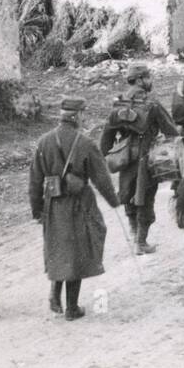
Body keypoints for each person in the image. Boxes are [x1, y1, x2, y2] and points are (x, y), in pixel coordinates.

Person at [29, 97, 120, 320]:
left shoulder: (44, 142)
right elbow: (102, 178)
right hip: (79, 204)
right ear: (77, 116)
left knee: (59, 249)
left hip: (53, 204)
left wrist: (37, 210)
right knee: (78, 251)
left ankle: (55, 292)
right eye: (83, 113)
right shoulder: (86, 143)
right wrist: (114, 201)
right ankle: (71, 308)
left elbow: (34, 180)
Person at [99, 64, 175, 254]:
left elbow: (107, 134)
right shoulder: (152, 104)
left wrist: (108, 154)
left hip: (125, 157)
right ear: (140, 80)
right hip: (147, 157)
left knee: (127, 193)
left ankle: (135, 237)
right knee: (145, 197)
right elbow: (170, 130)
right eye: (148, 77)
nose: (151, 81)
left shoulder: (119, 103)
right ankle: (141, 242)